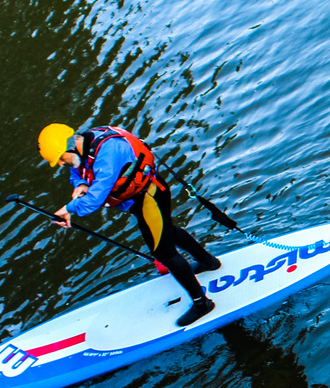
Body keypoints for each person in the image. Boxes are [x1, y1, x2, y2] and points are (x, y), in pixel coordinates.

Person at [37, 123, 222, 327]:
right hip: (138, 200)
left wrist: (68, 209)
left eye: (61, 159)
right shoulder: (83, 145)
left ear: (69, 147)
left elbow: (94, 200)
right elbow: (77, 171)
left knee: (163, 252)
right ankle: (207, 262)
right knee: (166, 231)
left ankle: (201, 304)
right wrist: (80, 185)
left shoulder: (106, 153)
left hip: (150, 197)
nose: (61, 165)